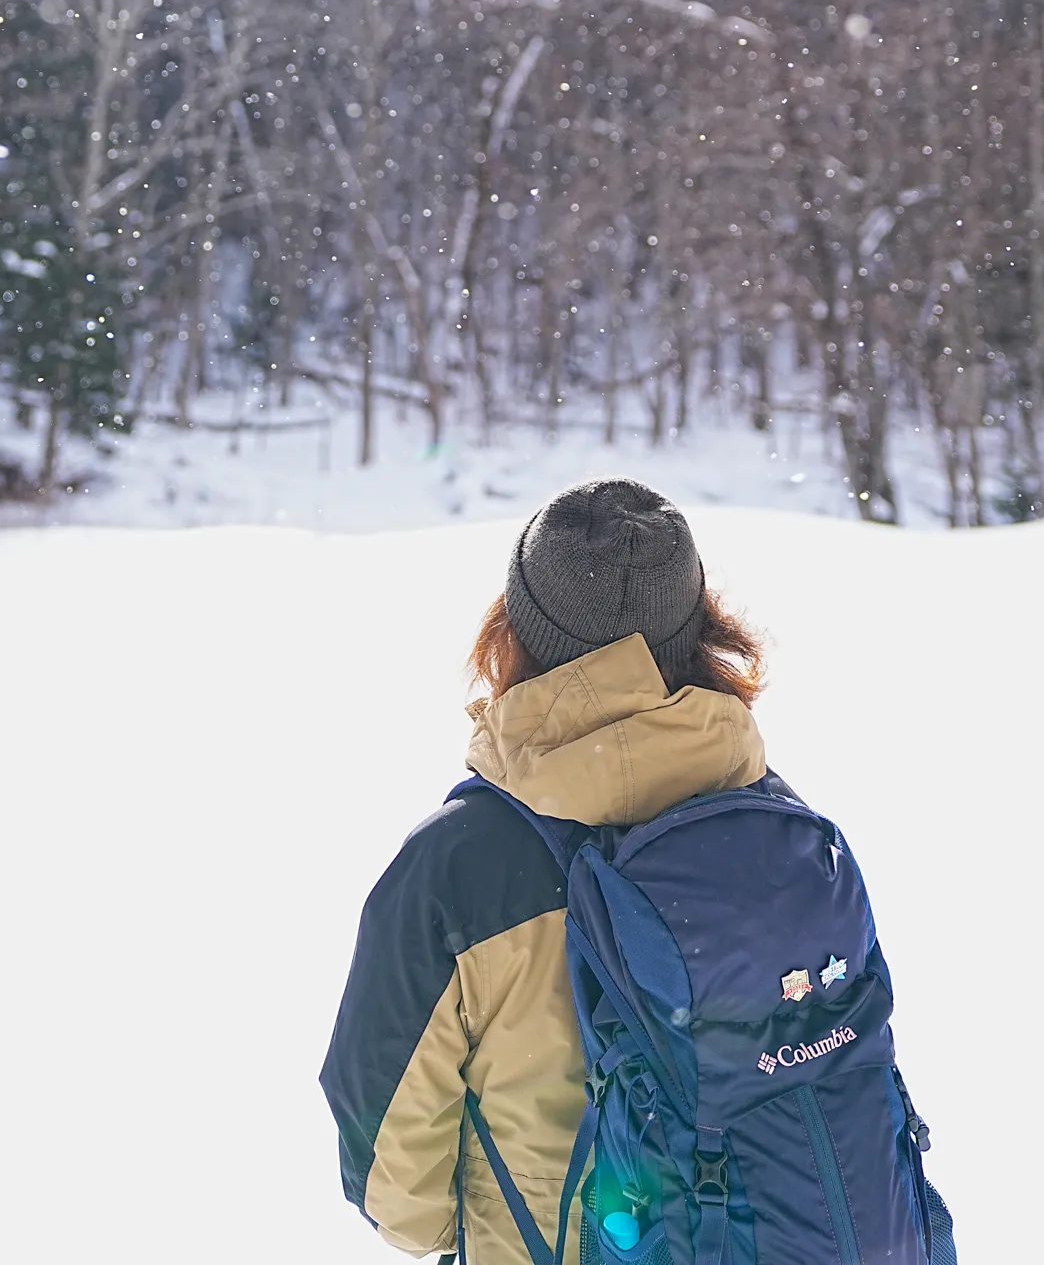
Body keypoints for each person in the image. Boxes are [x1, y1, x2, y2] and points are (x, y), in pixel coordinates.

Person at [319, 479, 941, 1265]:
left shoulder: (459, 863)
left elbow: (390, 1179)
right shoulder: (776, 821)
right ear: (699, 632)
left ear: (513, 634)